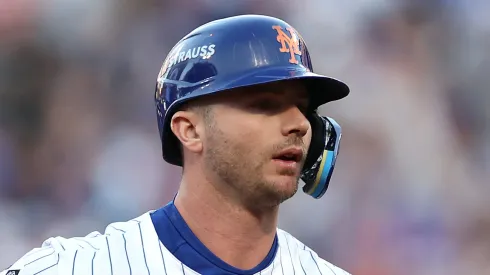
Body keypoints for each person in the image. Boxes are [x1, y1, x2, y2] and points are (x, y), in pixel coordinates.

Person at [2, 14, 351, 275]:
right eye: (265, 104)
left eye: (304, 108)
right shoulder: (77, 267)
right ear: (189, 131)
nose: (299, 124)